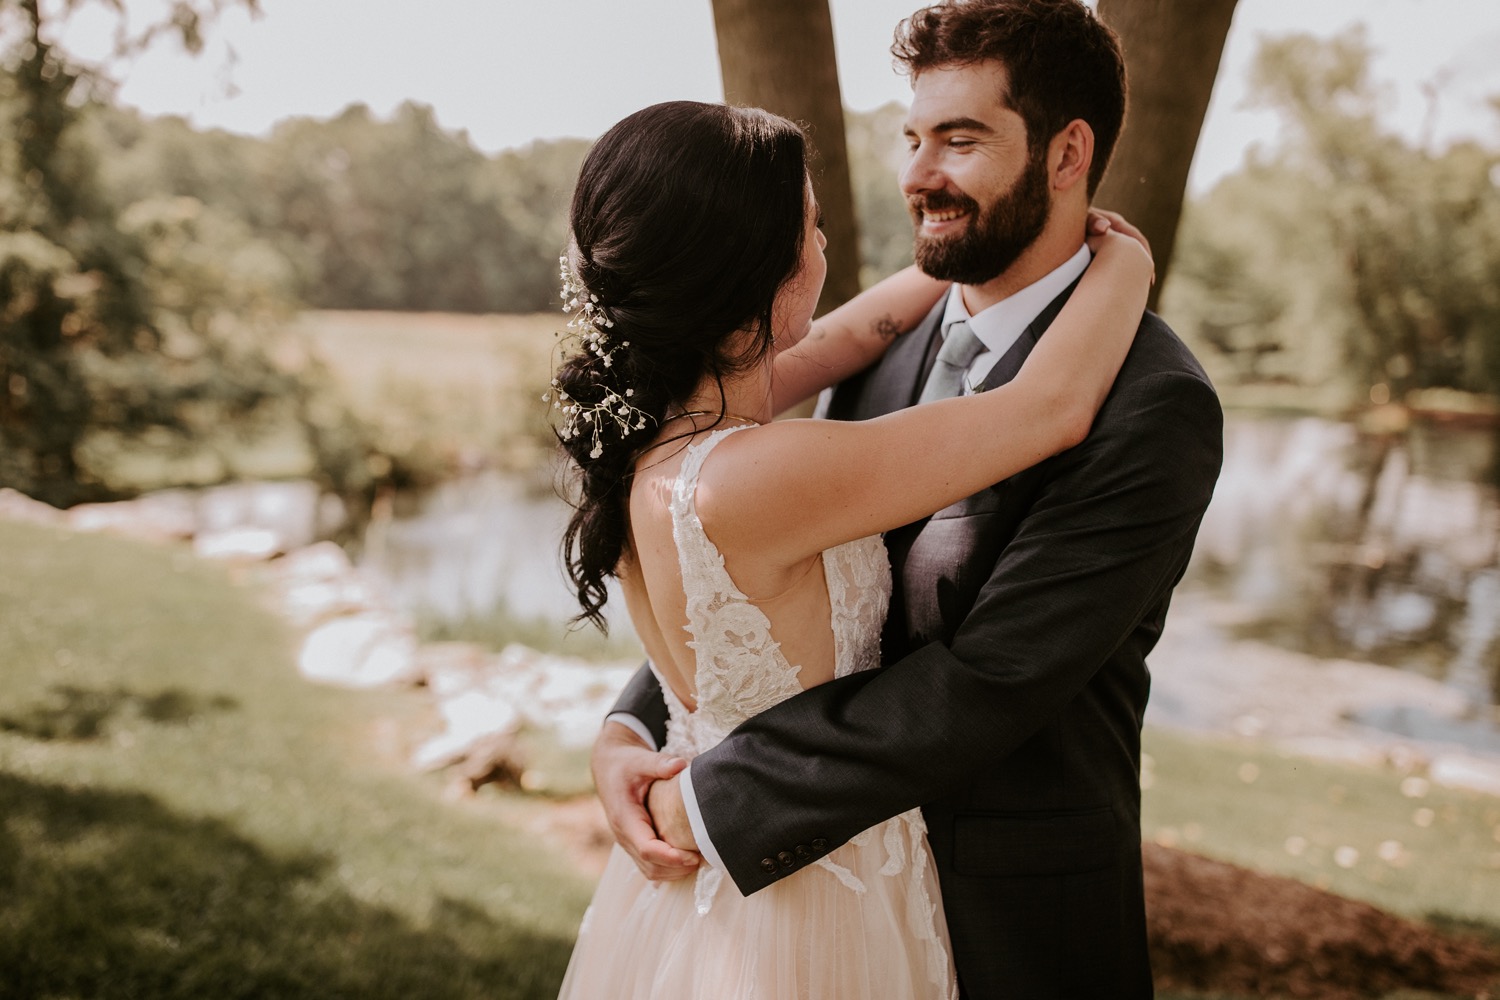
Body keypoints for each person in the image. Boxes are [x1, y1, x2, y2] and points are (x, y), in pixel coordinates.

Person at [593, 1, 1225, 998]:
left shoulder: (1154, 406)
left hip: (1011, 923)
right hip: (805, 910)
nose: (918, 175)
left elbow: (988, 678)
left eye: (961, 140)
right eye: (914, 137)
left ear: (1070, 155)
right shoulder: (875, 354)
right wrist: (635, 725)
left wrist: (709, 794)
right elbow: (750, 576)